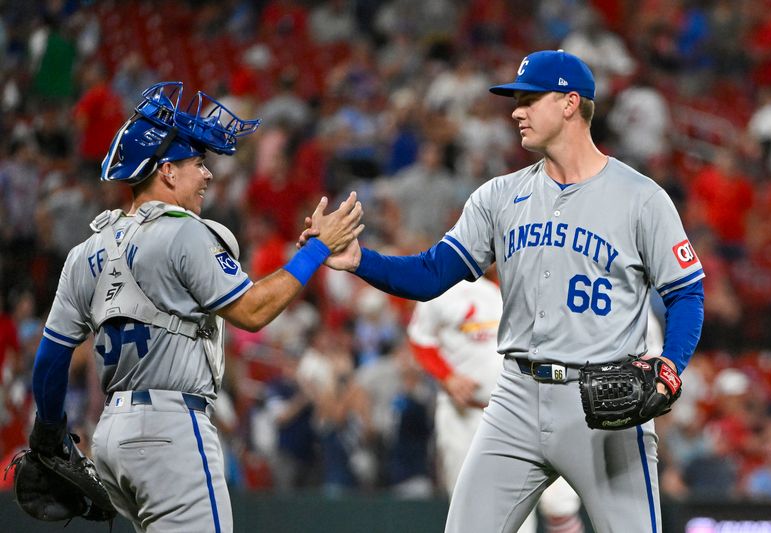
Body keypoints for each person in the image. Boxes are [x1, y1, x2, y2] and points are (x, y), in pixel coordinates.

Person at [300, 50, 704, 532]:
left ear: (571, 103)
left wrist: (670, 366)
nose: (516, 110)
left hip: (604, 405)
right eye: (516, 100)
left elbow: (687, 293)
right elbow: (432, 274)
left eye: (530, 99)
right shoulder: (498, 196)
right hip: (514, 396)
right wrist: (360, 260)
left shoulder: (641, 198)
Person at [27, 81, 363, 532]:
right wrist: (316, 250)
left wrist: (48, 435)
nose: (207, 175)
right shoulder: (187, 232)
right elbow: (253, 311)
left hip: (109, 437)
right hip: (171, 428)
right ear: (166, 171)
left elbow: (50, 360)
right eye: (197, 164)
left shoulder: (85, 251)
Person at [407, 267, 584, 533]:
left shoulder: (533, 276)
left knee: (551, 506)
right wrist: (447, 376)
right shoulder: (446, 285)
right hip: (464, 415)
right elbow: (421, 338)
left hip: (523, 409)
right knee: (469, 512)